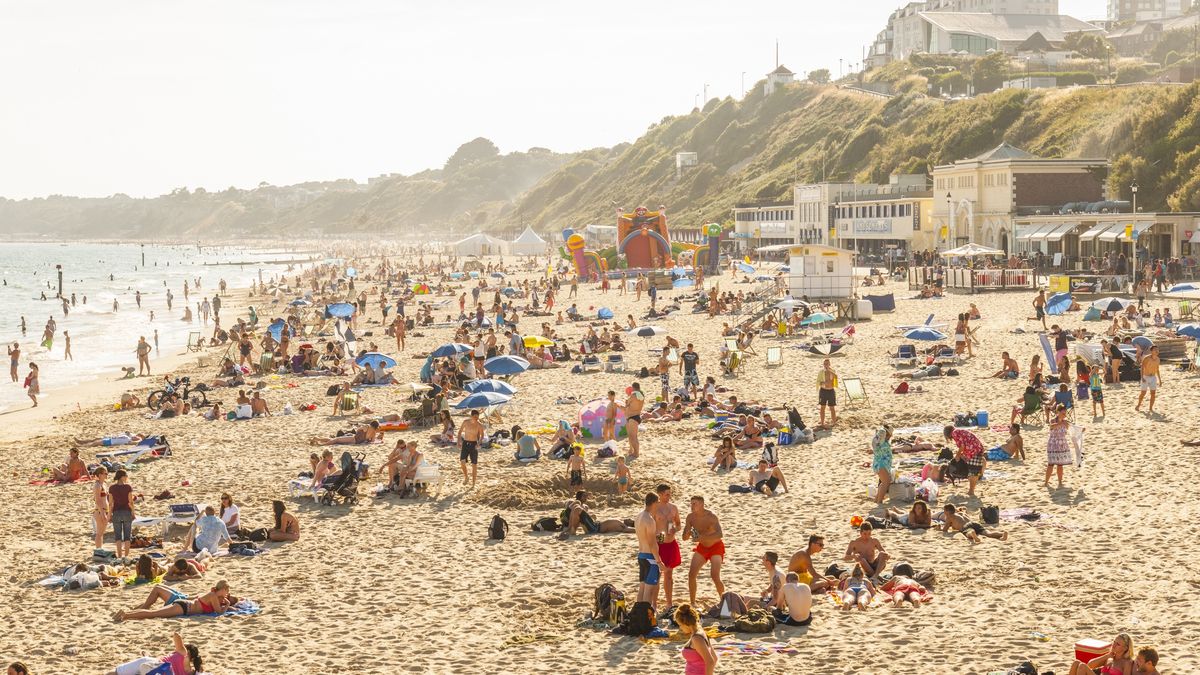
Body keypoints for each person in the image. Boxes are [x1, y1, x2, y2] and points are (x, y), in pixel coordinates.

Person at [114, 580, 234, 621]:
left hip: (184, 605)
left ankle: (126, 614)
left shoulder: (213, 595)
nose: (227, 594)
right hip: (184, 608)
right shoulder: (213, 596)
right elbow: (219, 612)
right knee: (153, 614)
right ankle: (126, 615)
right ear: (223, 589)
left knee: (154, 613)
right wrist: (227, 604)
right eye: (227, 591)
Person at [682, 495, 724, 606]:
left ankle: (724, 601)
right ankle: (693, 603)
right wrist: (687, 533)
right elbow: (684, 538)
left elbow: (720, 534)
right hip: (702, 548)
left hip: (716, 547)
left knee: (714, 575)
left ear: (702, 504)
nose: (692, 506)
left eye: (694, 503)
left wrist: (701, 538)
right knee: (691, 575)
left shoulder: (711, 516)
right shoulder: (690, 517)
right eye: (691, 503)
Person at [109, 631, 204, 674]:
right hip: (160, 670)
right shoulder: (193, 671)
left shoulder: (183, 653)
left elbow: (176, 635)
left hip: (155, 664)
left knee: (116, 672)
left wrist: (181, 645)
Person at [653, 484, 682, 609]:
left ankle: (669, 603)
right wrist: (657, 537)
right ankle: (654, 603)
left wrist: (674, 529)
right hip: (659, 544)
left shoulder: (673, 508)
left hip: (671, 543)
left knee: (669, 575)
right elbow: (650, 527)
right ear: (659, 494)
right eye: (666, 494)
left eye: (670, 494)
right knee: (656, 575)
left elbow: (679, 524)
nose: (669, 496)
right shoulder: (654, 509)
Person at [634, 492, 662, 610]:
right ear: (654, 503)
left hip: (641, 555)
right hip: (650, 557)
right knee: (649, 590)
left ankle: (638, 615)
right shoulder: (649, 520)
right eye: (658, 502)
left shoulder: (639, 516)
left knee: (642, 587)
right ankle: (645, 616)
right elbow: (652, 543)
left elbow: (646, 538)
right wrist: (659, 562)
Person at [943, 425, 986, 497]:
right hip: (976, 449)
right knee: (974, 470)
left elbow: (962, 446)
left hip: (973, 450)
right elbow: (965, 445)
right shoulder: (959, 431)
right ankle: (972, 489)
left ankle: (971, 491)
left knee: (973, 471)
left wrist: (958, 455)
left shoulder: (955, 433)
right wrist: (961, 455)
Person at [675, 604, 718, 675]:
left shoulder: (697, 638)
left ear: (686, 624)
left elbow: (710, 662)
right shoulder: (701, 633)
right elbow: (715, 658)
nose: (680, 628)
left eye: (680, 625)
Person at [1068, 632, 1135, 675]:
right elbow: (1090, 665)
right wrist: (1107, 656)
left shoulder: (1127, 662)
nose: (1114, 645)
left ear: (1125, 648)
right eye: (1114, 642)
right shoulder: (1110, 658)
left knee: (1082, 667)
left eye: (1118, 644)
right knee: (1076, 663)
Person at [941, 503, 1007, 543]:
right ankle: (1002, 534)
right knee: (988, 533)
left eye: (944, 511)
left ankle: (973, 535)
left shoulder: (949, 517)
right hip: (974, 523)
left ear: (947, 511)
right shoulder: (961, 513)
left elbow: (945, 530)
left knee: (968, 533)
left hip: (966, 526)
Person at [108, 469, 135, 559]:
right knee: (127, 536)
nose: (127, 478)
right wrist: (133, 512)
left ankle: (119, 556)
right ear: (122, 477)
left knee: (118, 536)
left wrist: (110, 515)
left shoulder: (112, 488)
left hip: (116, 512)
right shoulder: (128, 487)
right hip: (126, 512)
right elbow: (130, 502)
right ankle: (126, 556)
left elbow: (111, 503)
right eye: (126, 476)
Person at [1045, 405, 1072, 489]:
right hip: (1053, 444)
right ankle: (1046, 482)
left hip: (1062, 444)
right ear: (1058, 412)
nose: (1064, 415)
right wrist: (1061, 423)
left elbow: (1072, 430)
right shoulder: (1053, 420)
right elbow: (1052, 426)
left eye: (1065, 413)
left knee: (1060, 465)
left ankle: (1060, 482)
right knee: (1051, 464)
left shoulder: (1066, 422)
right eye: (1063, 413)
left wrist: (1081, 430)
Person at [459, 409, 484, 487]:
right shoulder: (465, 422)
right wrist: (458, 442)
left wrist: (479, 443)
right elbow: (459, 432)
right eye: (475, 417)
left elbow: (482, 435)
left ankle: (473, 483)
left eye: (477, 417)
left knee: (474, 464)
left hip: (474, 444)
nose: (476, 418)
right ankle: (466, 477)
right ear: (471, 416)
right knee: (462, 461)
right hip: (465, 443)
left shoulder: (479, 425)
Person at [870, 425, 893, 504]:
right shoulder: (881, 441)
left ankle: (877, 500)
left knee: (884, 482)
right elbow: (882, 433)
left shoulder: (880, 442)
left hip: (880, 464)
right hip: (881, 464)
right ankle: (879, 501)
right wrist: (883, 432)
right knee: (886, 482)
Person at [1135, 345, 1160, 414]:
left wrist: (1160, 380)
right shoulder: (1146, 358)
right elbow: (1142, 367)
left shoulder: (1158, 359)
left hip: (1153, 377)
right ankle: (1138, 405)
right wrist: (1142, 377)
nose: (1157, 351)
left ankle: (1150, 408)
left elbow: (1157, 369)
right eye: (1155, 350)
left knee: (1153, 393)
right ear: (1151, 351)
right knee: (1143, 393)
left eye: (1157, 350)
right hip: (1146, 377)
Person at [624, 382, 645, 461]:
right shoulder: (641, 396)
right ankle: (634, 451)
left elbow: (627, 404)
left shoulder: (633, 396)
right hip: (636, 416)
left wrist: (627, 402)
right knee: (633, 436)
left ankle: (636, 453)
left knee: (633, 437)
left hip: (632, 417)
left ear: (633, 388)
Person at [92, 467, 110, 552]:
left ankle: (100, 549)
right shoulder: (97, 485)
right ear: (100, 475)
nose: (107, 475)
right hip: (100, 511)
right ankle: (98, 550)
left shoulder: (104, 484)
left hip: (105, 510)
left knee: (102, 532)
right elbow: (98, 500)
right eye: (105, 473)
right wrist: (103, 513)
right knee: (99, 533)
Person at [817, 358, 837, 429]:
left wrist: (829, 371)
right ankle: (822, 422)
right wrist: (823, 383)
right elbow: (818, 382)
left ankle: (834, 422)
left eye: (827, 364)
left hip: (831, 391)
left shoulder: (833, 371)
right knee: (822, 407)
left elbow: (835, 379)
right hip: (823, 391)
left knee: (832, 408)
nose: (826, 365)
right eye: (824, 364)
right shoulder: (821, 372)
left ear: (829, 364)